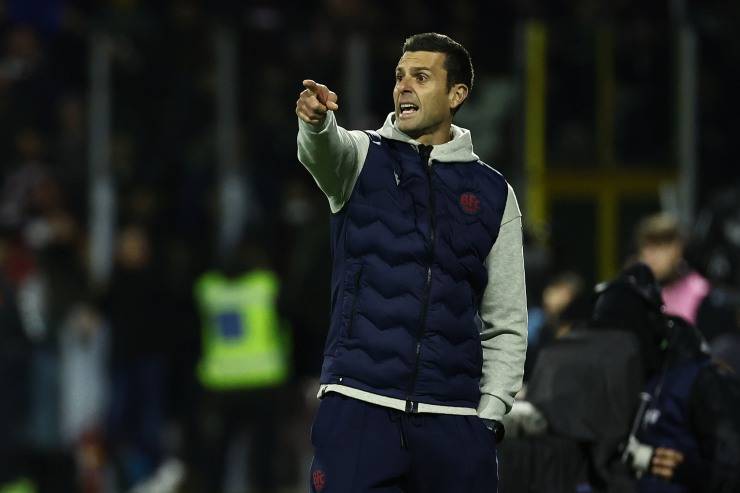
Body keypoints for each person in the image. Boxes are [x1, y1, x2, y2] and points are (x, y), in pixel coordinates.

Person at [295, 32, 527, 492]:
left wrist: (488, 416)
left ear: (456, 94)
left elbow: (506, 321)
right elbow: (323, 151)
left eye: (421, 77)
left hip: (453, 422)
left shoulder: (494, 193)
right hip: (359, 406)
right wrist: (317, 124)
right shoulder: (361, 157)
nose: (404, 86)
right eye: (400, 76)